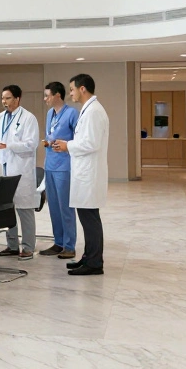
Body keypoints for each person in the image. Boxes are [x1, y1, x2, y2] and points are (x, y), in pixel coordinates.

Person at [51, 74, 108, 276]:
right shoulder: (89, 110)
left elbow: (91, 143)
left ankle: (94, 263)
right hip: (85, 173)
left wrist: (68, 146)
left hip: (89, 175)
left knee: (90, 220)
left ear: (82, 89)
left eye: (72, 89)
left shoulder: (93, 112)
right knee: (87, 218)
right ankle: (89, 257)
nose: (71, 93)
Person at [0, 85, 39, 260]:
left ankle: (28, 247)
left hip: (21, 169)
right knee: (7, 208)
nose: (4, 101)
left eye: (8, 98)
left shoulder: (28, 118)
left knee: (24, 210)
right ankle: (12, 245)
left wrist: (9, 145)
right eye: (2, 98)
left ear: (17, 99)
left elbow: (31, 144)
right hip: (3, 167)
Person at [39, 81, 79, 260]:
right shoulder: (50, 114)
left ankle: (69, 246)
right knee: (54, 207)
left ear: (57, 95)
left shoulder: (72, 113)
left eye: (47, 95)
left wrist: (66, 144)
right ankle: (59, 242)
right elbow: (51, 134)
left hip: (64, 166)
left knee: (65, 207)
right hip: (50, 164)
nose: (45, 99)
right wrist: (48, 142)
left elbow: (79, 139)